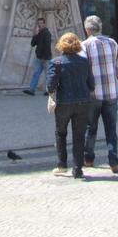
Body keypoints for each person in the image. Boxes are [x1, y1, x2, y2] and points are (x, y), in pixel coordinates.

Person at [46, 32, 95, 179]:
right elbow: (91, 84)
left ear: (61, 45)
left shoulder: (56, 62)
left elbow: (50, 86)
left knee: (61, 133)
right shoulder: (84, 62)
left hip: (64, 103)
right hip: (82, 102)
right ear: (77, 45)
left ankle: (62, 165)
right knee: (79, 136)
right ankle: (78, 169)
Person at [82, 15, 118, 174]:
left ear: (87, 30)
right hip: (111, 93)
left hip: (93, 94)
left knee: (90, 128)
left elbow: (82, 70)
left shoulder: (84, 45)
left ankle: (89, 158)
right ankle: (114, 162)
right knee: (111, 129)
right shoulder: (112, 43)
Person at [23, 18, 52, 95]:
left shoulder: (47, 33)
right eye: (38, 23)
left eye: (41, 23)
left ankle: (49, 91)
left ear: (44, 24)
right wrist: (35, 35)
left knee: (48, 75)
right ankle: (32, 90)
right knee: (36, 73)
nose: (39, 25)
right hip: (39, 57)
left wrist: (44, 58)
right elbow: (33, 44)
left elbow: (47, 46)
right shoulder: (39, 33)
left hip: (45, 58)